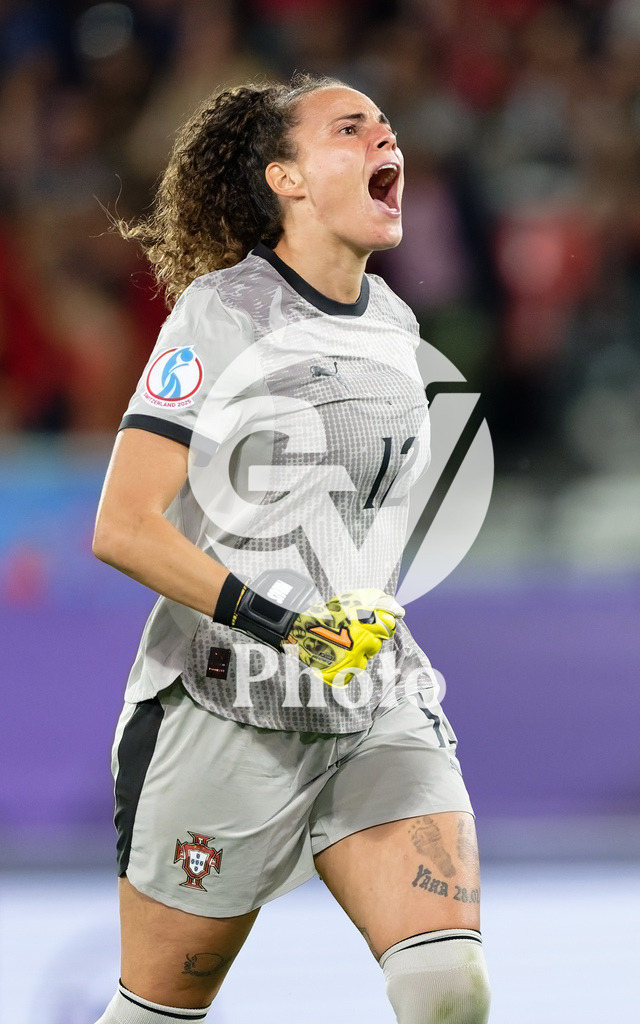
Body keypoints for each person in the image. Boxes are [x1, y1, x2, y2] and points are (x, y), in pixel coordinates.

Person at [92, 74, 491, 1024]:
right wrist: (287, 624)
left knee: (449, 993)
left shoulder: (395, 327)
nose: (385, 139)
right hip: (219, 709)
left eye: (388, 128)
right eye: (351, 128)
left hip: (369, 704)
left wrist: (351, 626)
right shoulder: (219, 315)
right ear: (286, 177)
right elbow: (124, 525)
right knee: (154, 1018)